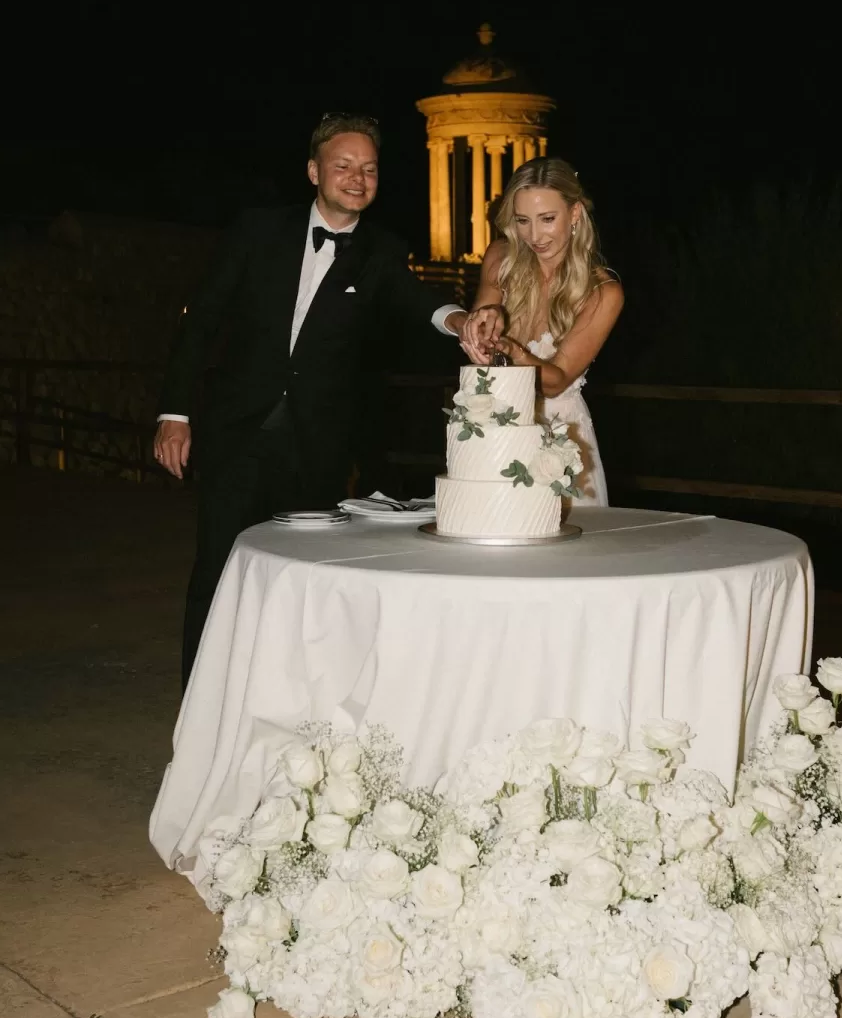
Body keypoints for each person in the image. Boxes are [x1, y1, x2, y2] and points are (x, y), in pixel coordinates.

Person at [154, 112, 485, 685]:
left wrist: (462, 322)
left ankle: (284, 701)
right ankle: (200, 706)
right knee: (218, 571)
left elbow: (417, 299)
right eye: (343, 166)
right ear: (314, 171)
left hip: (319, 446)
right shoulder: (257, 230)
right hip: (239, 433)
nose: (357, 178)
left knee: (303, 580)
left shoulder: (382, 250)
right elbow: (201, 323)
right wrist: (174, 413)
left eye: (369, 169)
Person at [462, 158, 624, 504]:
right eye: (522, 221)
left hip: (560, 441)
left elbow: (557, 378)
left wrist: (517, 353)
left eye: (547, 219)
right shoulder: (499, 258)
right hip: (495, 425)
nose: (534, 236)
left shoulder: (603, 291)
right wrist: (481, 323)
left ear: (575, 213)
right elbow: (480, 325)